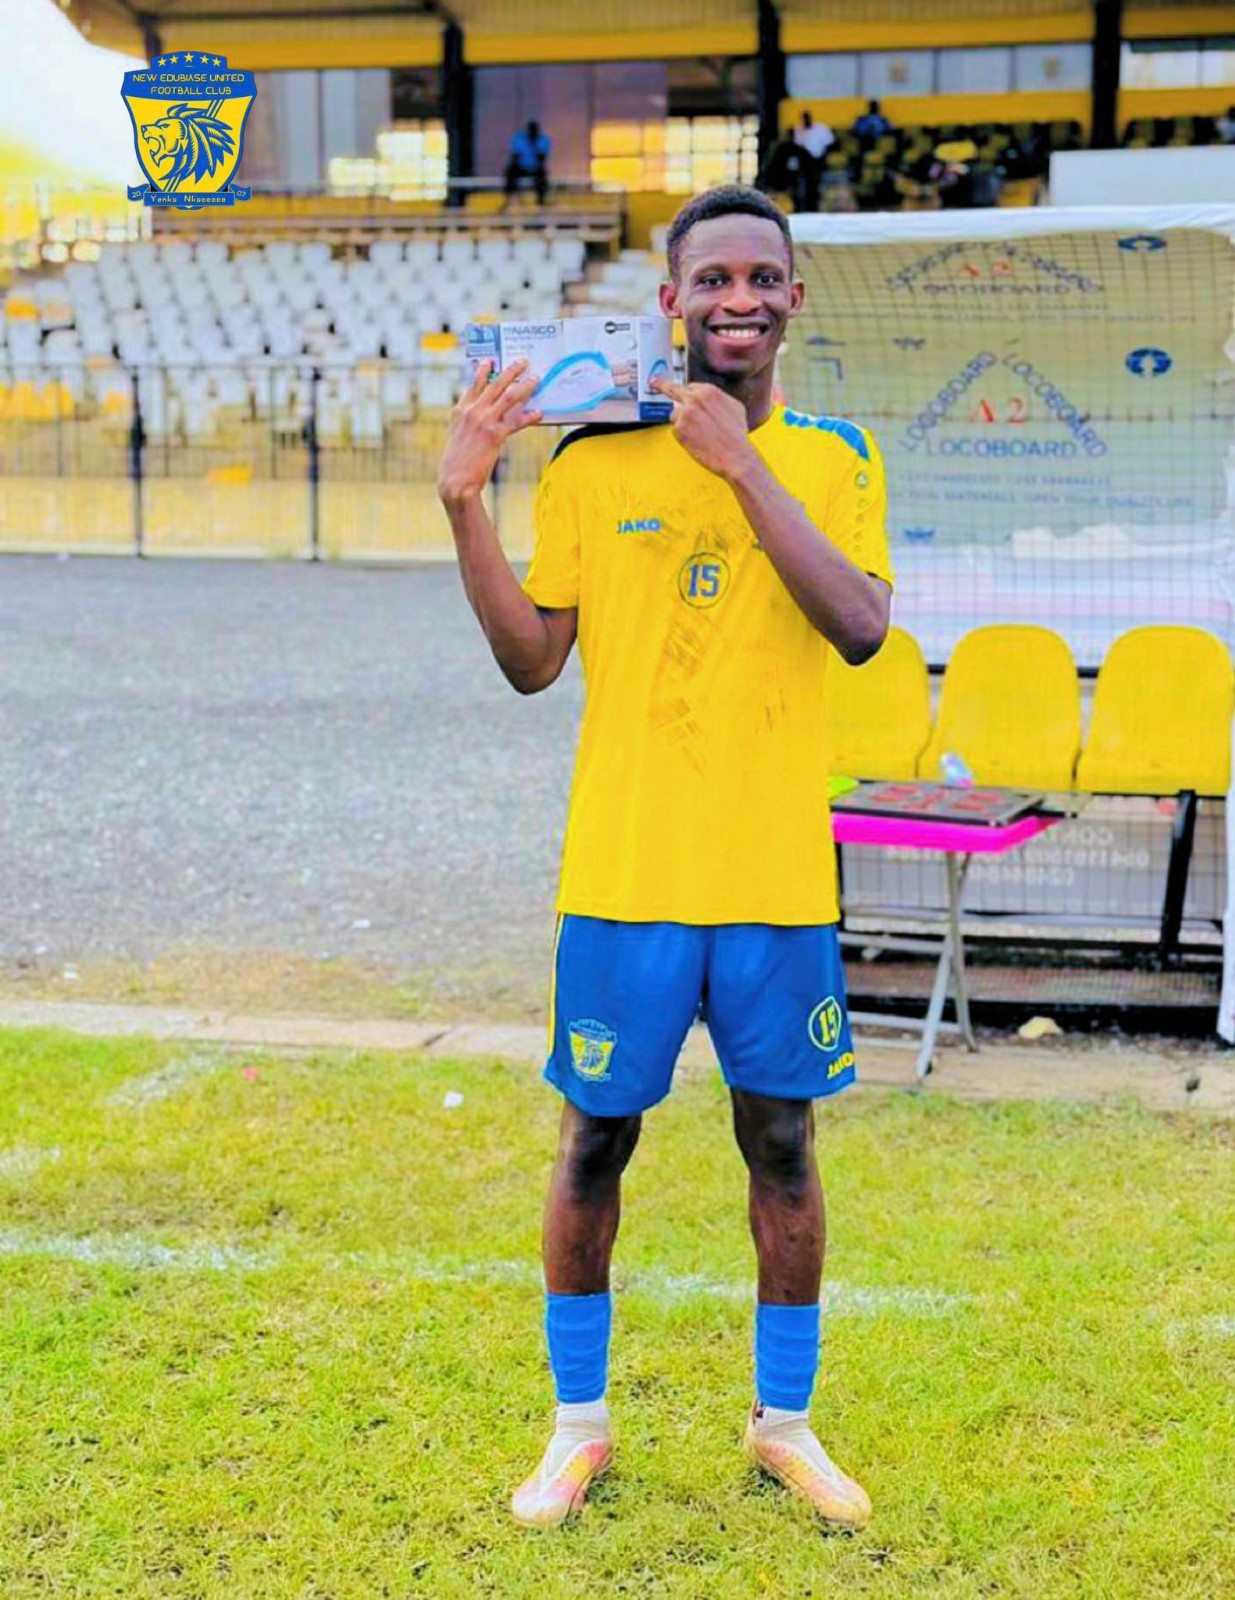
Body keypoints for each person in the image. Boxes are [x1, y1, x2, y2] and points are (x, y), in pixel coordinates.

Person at [437, 184, 893, 1533]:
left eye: (759, 277)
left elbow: (859, 626)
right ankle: (576, 1429)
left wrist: (739, 465)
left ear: (791, 297)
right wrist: (463, 502)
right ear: (670, 303)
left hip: (770, 878)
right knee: (592, 1144)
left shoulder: (834, 457)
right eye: (711, 280)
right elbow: (530, 662)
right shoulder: (590, 465)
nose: (736, 300)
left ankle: (782, 1426)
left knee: (781, 1145)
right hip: (625, 874)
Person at [504, 118, 551, 206]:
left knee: (542, 175)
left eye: (534, 131)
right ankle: (509, 198)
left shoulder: (543, 139)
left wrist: (534, 145)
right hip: (521, 167)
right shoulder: (519, 138)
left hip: (536, 167)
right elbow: (515, 156)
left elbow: (542, 158)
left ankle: (541, 200)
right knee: (510, 171)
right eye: (531, 131)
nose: (532, 133)